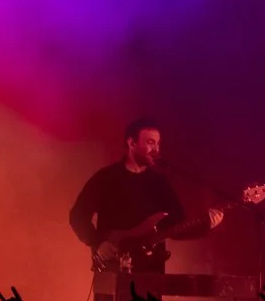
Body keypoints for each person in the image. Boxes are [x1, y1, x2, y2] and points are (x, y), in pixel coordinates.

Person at [68, 117, 223, 274]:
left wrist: (206, 225)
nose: (156, 149)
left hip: (150, 270)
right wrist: (98, 242)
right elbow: (77, 215)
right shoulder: (106, 178)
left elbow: (176, 228)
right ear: (132, 143)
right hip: (114, 267)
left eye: (157, 143)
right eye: (150, 142)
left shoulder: (159, 184)